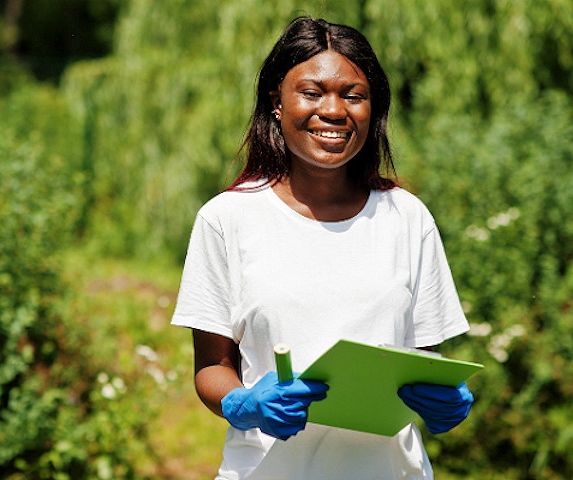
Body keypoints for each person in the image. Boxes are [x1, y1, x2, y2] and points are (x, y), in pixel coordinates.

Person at [172, 16, 474, 479]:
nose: (333, 111)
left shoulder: (407, 218)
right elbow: (212, 367)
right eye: (312, 93)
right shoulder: (226, 219)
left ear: (373, 109)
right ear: (277, 101)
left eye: (353, 95)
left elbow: (421, 363)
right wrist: (241, 402)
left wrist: (443, 401)